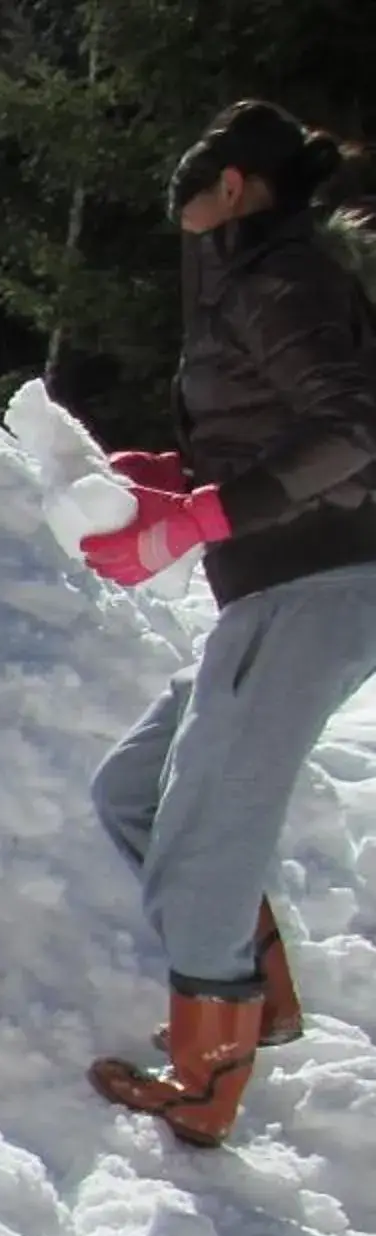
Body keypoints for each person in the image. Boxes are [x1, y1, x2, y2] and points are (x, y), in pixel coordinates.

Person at [81, 101, 376, 1148]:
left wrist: (200, 518)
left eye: (189, 189)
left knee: (206, 839)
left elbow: (347, 430)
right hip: (272, 585)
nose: (177, 211)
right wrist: (167, 482)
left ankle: (204, 1086)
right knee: (131, 792)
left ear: (235, 186)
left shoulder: (282, 274)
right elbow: (269, 430)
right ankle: (259, 994)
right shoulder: (251, 277)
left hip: (320, 579)